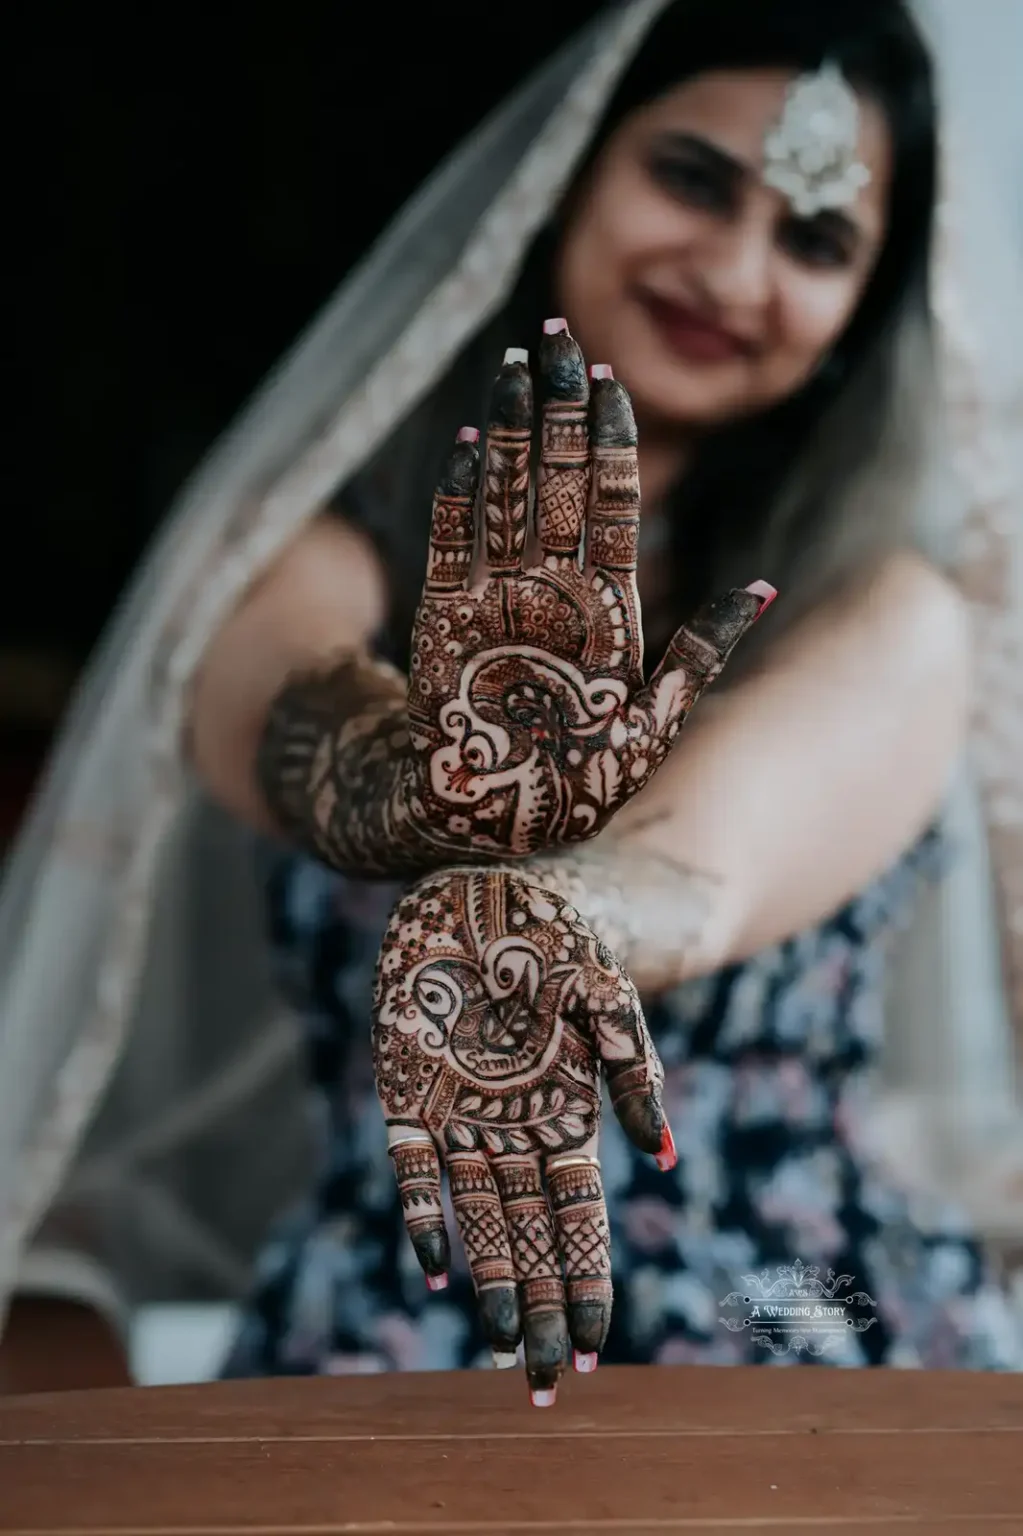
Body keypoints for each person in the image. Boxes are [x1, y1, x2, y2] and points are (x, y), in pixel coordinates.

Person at [1, 0, 1022, 1397]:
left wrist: (548, 908)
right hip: (389, 1322)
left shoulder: (881, 615)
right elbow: (275, 706)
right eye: (691, 179)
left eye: (814, 241)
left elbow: (698, 873)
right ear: (570, 171)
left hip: (795, 1308)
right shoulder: (322, 556)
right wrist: (419, 777)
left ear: (859, 319)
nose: (732, 271)